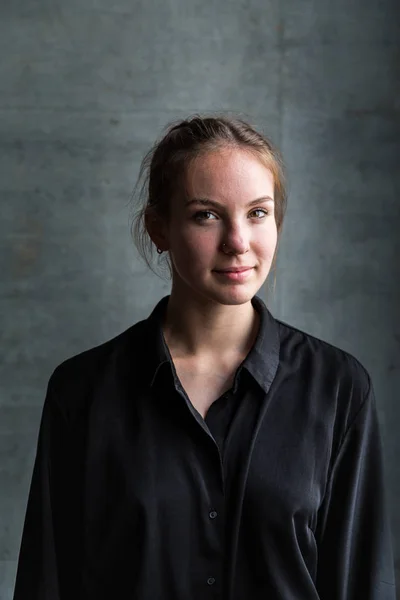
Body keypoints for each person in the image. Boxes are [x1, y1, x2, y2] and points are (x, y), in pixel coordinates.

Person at [13, 114, 396, 600]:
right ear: (159, 228)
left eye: (257, 212)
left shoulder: (339, 388)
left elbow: (360, 580)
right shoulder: (82, 392)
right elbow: (49, 581)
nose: (238, 242)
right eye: (206, 215)